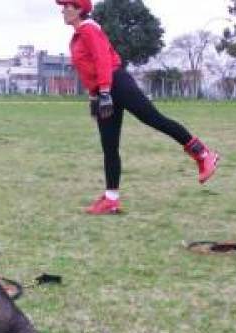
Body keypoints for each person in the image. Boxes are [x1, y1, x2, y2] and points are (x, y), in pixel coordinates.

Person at [55, 0, 220, 215]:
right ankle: (111, 199)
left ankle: (204, 154)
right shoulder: (77, 36)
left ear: (79, 9)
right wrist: (94, 96)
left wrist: (104, 91)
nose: (62, 9)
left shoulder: (88, 29)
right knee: (109, 146)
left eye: (67, 5)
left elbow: (103, 60)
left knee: (153, 119)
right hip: (104, 90)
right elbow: (89, 69)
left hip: (117, 83)